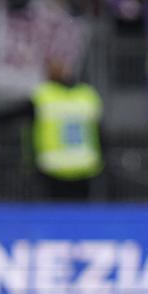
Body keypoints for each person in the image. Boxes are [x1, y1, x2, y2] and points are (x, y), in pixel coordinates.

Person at [31, 57, 103, 200]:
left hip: (53, 167)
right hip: (84, 166)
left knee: (55, 216)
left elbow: (11, 113)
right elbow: (100, 131)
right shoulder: (87, 95)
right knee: (80, 216)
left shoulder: (44, 96)